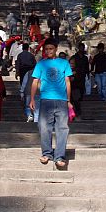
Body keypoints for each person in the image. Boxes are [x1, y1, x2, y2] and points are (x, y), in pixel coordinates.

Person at [30, 40, 73, 169]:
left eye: (51, 49)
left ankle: (59, 156)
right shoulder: (41, 64)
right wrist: (32, 98)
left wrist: (68, 100)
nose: (48, 51)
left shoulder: (64, 63)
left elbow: (68, 83)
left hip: (61, 100)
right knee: (44, 127)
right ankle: (47, 153)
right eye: (46, 49)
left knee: (62, 128)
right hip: (45, 99)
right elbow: (35, 82)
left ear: (56, 49)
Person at [15, 42, 38, 121]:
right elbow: (34, 63)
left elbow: (17, 63)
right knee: (30, 80)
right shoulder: (31, 55)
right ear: (28, 48)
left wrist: (17, 72)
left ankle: (24, 94)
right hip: (30, 69)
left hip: (22, 69)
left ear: (22, 48)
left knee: (23, 82)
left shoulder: (20, 55)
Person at [69, 42, 90, 115]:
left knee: (81, 89)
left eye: (82, 48)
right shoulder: (75, 57)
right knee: (73, 98)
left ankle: (78, 110)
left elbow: (87, 66)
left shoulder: (85, 57)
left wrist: (87, 73)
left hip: (81, 75)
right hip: (71, 87)